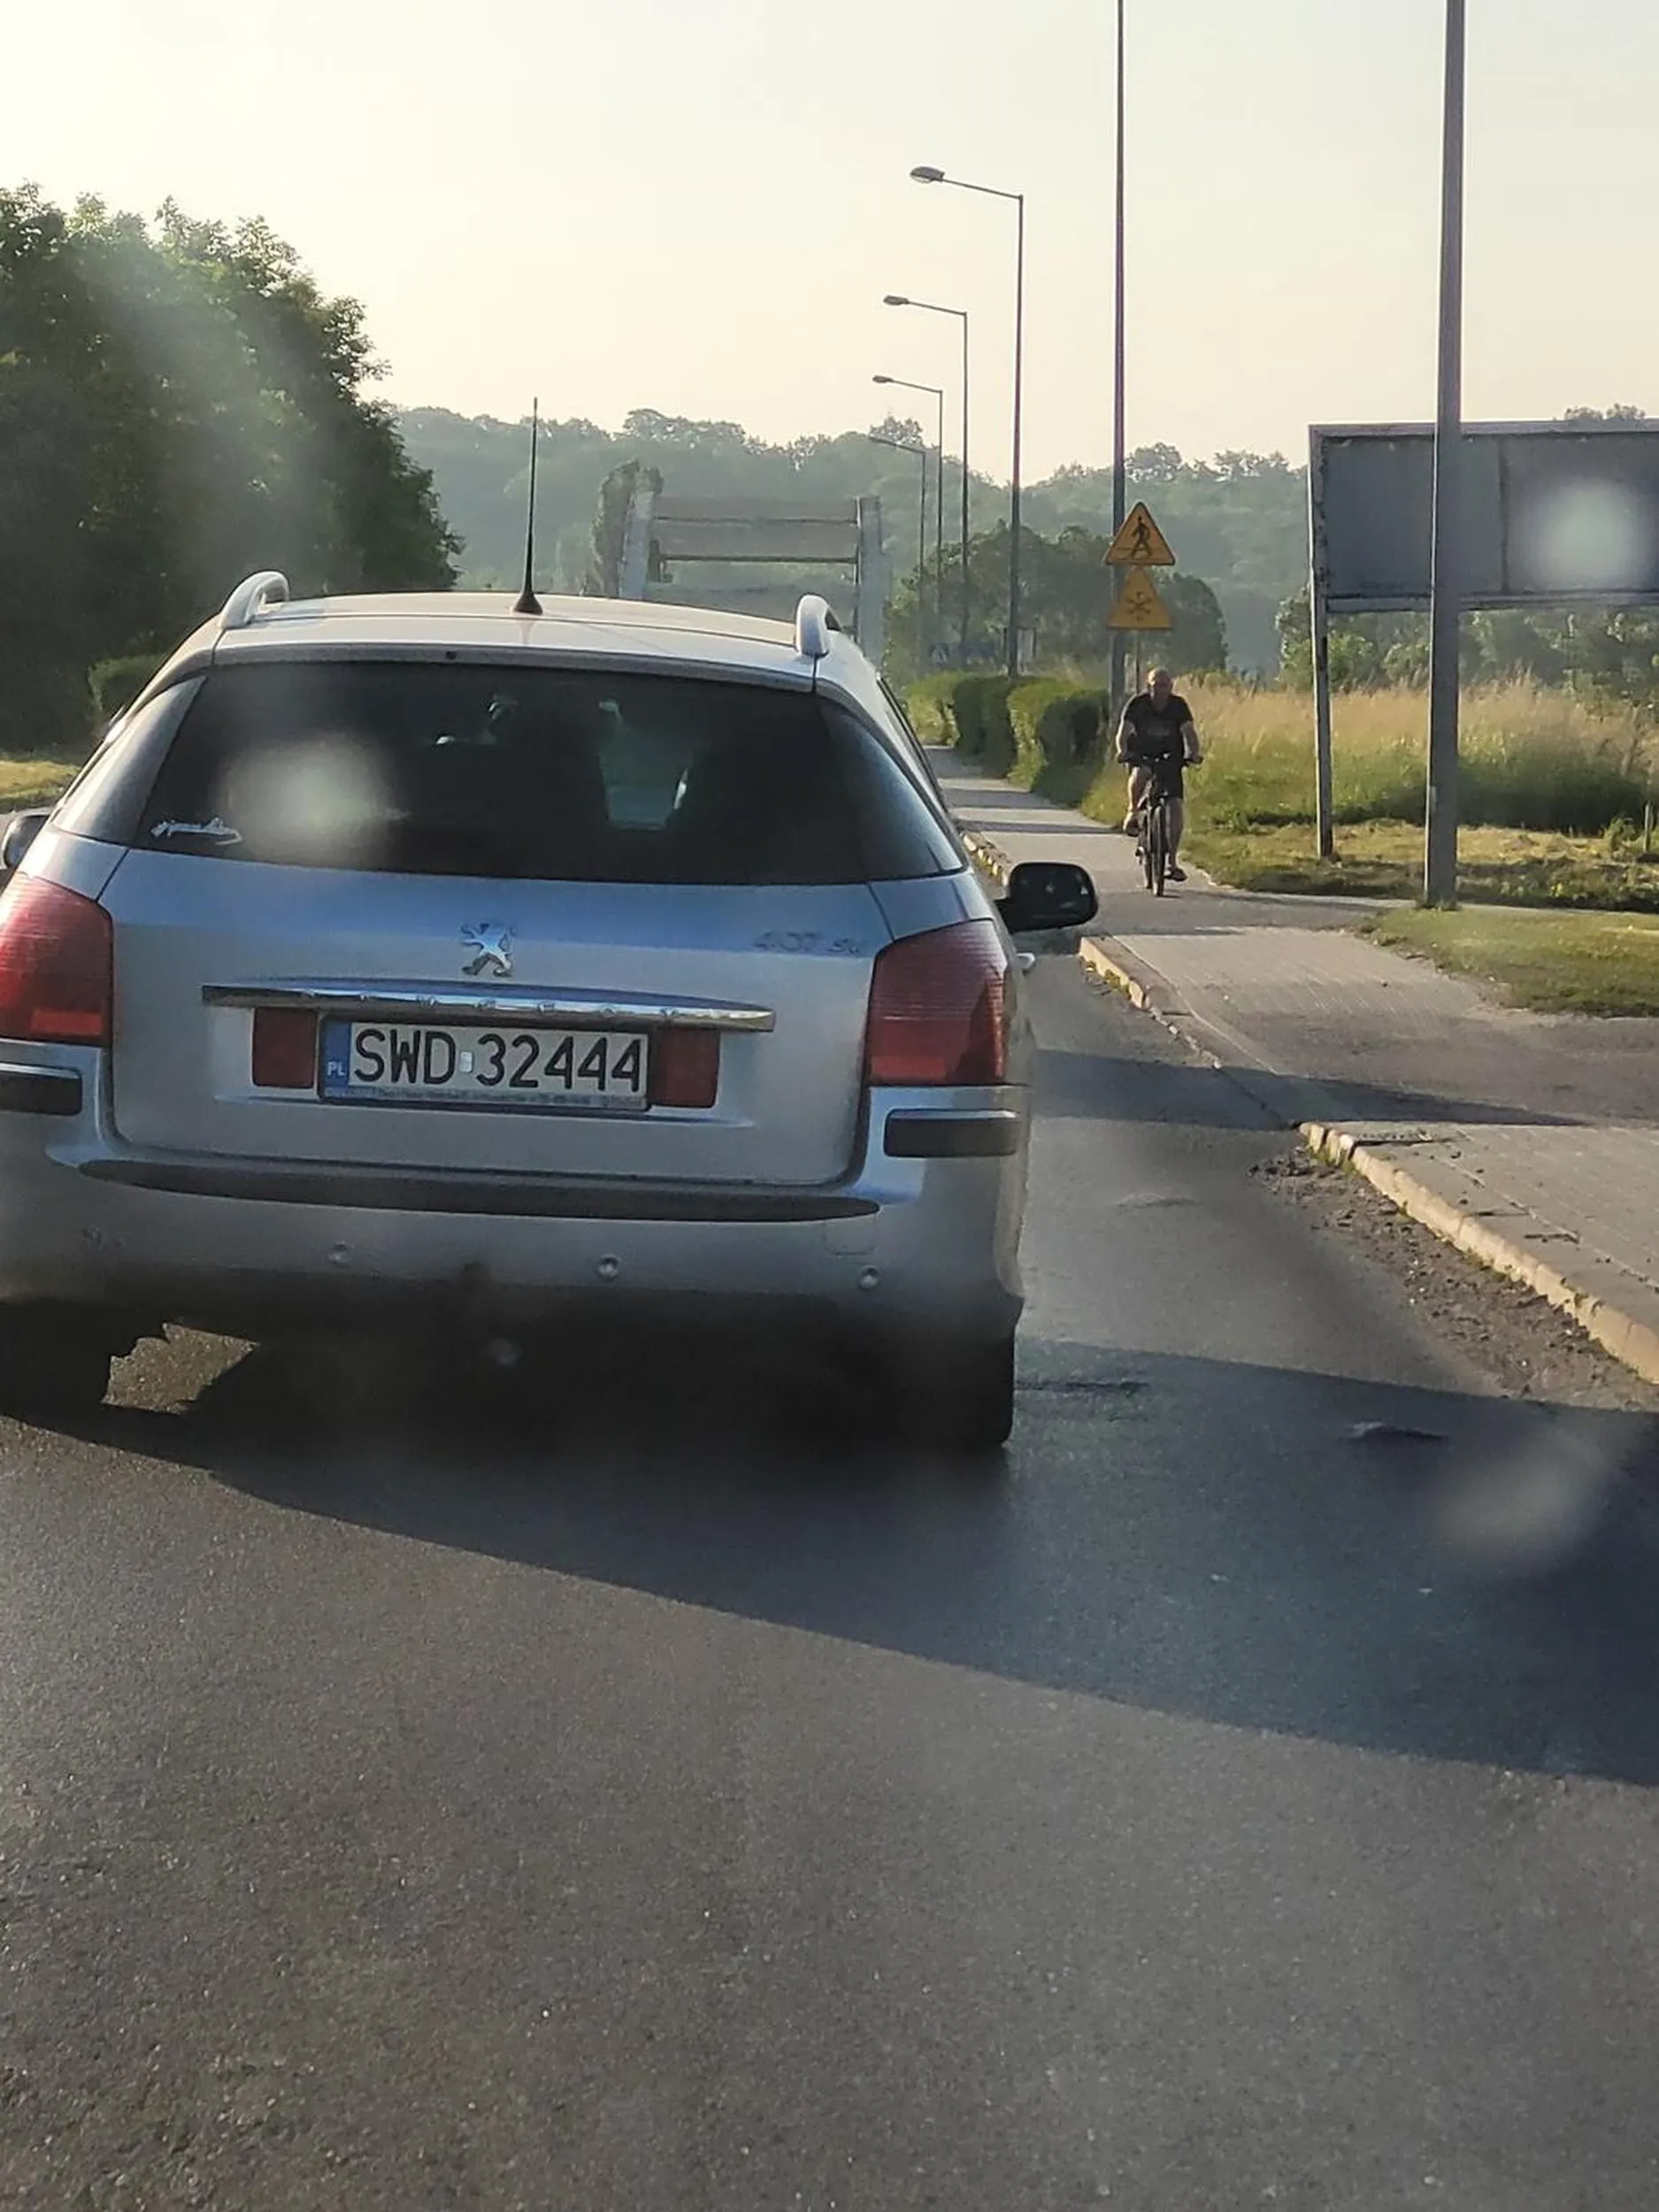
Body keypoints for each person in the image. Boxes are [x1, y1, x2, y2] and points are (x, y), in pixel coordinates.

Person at [1115, 667, 1202, 882]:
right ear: (1149, 686)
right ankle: (1133, 811)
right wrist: (1122, 750)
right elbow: (1123, 732)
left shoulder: (1178, 706)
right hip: (1142, 753)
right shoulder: (1138, 705)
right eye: (1156, 685)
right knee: (1142, 771)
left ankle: (1172, 862)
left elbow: (1189, 732)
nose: (1161, 690)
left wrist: (1194, 753)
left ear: (1171, 688)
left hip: (1170, 757)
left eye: (1165, 686)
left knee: (1175, 807)